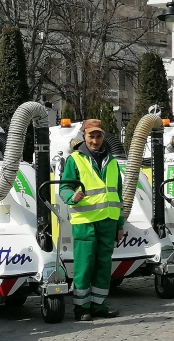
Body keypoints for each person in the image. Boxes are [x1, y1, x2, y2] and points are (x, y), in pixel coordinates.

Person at [59, 119, 124, 321]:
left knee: (103, 266)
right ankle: (81, 308)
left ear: (104, 136)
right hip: (85, 221)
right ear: (84, 137)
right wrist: (72, 197)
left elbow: (118, 195)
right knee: (84, 265)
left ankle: (99, 305)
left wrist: (120, 224)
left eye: (98, 136)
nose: (95, 140)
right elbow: (64, 188)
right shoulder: (75, 159)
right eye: (91, 136)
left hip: (108, 221)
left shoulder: (112, 161)